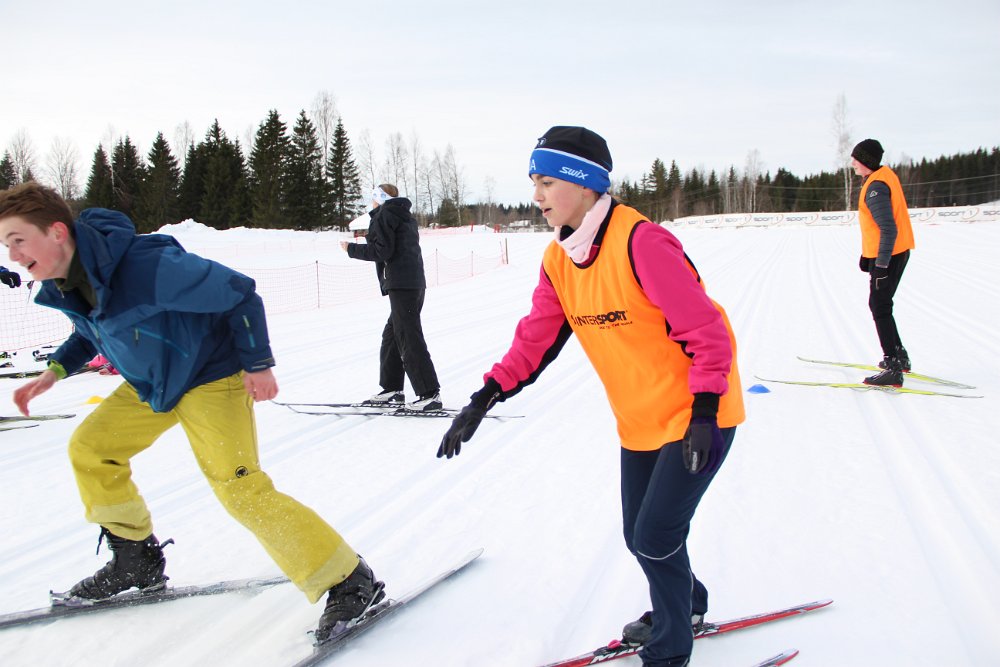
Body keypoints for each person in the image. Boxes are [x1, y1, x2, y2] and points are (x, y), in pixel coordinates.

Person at [0, 182, 383, 642]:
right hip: (155, 382)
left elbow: (240, 293)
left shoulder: (145, 266)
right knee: (91, 448)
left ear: (57, 232)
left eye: (18, 241)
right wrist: (55, 371)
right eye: (6, 245)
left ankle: (349, 579)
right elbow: (92, 331)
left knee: (239, 488)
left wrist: (257, 362)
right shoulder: (67, 282)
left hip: (210, 376)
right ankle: (135, 558)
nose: (12, 256)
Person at [437, 127, 745, 667]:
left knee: (655, 535)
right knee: (639, 534)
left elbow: (707, 333)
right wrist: (484, 396)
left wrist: (704, 412)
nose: (536, 195)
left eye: (546, 181)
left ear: (584, 185)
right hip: (640, 420)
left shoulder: (642, 242)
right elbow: (536, 338)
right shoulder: (559, 259)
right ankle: (687, 604)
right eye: (533, 181)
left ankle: (670, 650)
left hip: (699, 413)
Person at [340, 184, 441, 411]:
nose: (372, 201)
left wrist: (351, 249)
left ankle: (429, 394)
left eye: (373, 197)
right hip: (412, 283)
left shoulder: (385, 214)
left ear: (379, 198)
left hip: (402, 284)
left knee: (408, 336)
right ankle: (392, 389)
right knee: (392, 335)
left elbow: (381, 251)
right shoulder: (402, 214)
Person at [851, 138, 915, 387]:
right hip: (896, 252)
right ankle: (899, 356)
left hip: (890, 255)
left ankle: (893, 366)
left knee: (879, 306)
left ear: (866, 161)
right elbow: (879, 229)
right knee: (882, 304)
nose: (853, 163)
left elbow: (888, 229)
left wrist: (880, 265)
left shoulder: (875, 188)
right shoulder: (881, 177)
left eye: (856, 159)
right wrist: (869, 256)